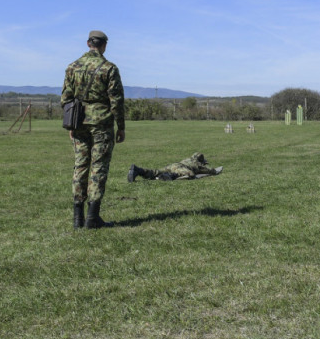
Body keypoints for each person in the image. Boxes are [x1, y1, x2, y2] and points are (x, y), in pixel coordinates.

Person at [61, 30, 126, 229]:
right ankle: (92, 218)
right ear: (104, 45)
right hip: (102, 124)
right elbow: (116, 100)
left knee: (80, 166)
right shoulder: (109, 68)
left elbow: (66, 98)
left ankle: (77, 218)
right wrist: (121, 126)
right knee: (98, 168)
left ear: (88, 43)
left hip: (79, 122)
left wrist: (71, 125)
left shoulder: (72, 67)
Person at [127, 152, 222, 182]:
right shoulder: (196, 163)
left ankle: (137, 170)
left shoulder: (188, 159)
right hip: (180, 167)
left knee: (155, 171)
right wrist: (214, 171)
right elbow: (208, 171)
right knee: (190, 174)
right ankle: (168, 176)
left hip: (173, 165)